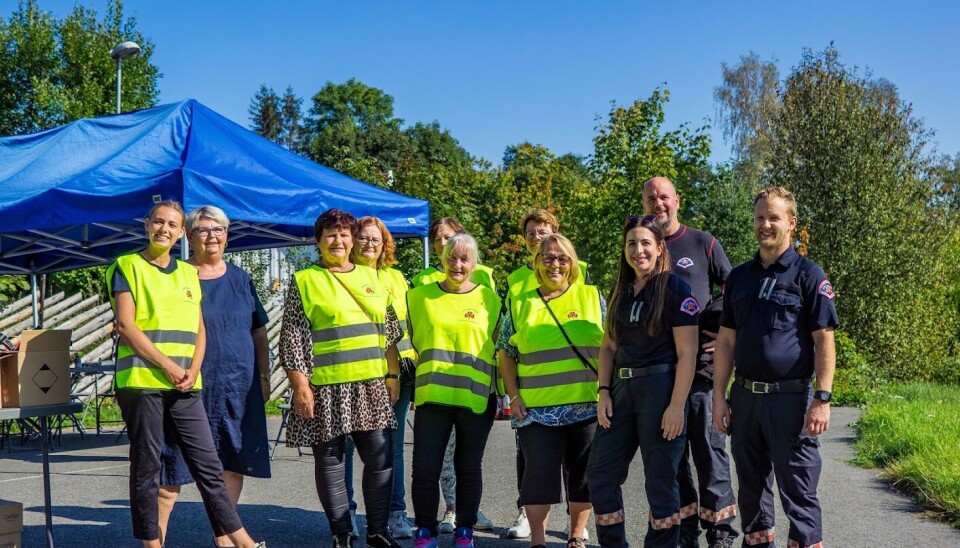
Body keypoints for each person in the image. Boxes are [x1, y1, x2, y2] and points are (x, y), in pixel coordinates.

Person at [106, 200, 264, 548]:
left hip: (187, 382)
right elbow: (128, 326)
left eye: (171, 224)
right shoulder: (127, 266)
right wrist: (171, 366)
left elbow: (198, 329)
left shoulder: (187, 274)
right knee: (150, 467)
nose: (164, 229)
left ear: (179, 233)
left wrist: (191, 369)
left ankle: (240, 541)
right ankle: (152, 543)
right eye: (158, 222)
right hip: (143, 381)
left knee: (209, 464)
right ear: (147, 224)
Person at [712, 187, 838, 548]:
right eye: (759, 218)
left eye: (774, 218)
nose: (765, 224)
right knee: (751, 493)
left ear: (792, 223)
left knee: (799, 494)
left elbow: (824, 341)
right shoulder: (738, 277)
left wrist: (823, 398)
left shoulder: (809, 275)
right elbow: (725, 342)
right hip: (746, 399)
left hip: (791, 400)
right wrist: (719, 398)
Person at [278, 208, 403, 548]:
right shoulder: (305, 280)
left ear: (353, 239)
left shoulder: (374, 277)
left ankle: (378, 531)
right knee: (331, 461)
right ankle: (342, 533)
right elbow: (292, 338)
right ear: (318, 241)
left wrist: (393, 376)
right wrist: (300, 386)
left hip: (372, 385)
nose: (338, 240)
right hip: (326, 387)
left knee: (380, 459)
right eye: (330, 234)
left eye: (344, 234)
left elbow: (390, 332)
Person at [156, 206, 272, 548]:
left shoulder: (239, 278)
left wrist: (264, 376)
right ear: (188, 237)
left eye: (218, 229)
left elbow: (258, 331)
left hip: (239, 384)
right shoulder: (176, 275)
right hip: (188, 386)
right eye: (204, 230)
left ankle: (223, 539)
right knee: (171, 469)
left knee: (232, 463)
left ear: (227, 235)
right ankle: (154, 542)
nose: (212, 236)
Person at [586, 214, 700, 548]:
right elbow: (608, 346)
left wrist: (676, 407)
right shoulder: (620, 290)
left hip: (661, 392)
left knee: (661, 482)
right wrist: (603, 391)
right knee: (600, 474)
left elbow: (688, 354)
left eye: (645, 243)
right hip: (621, 392)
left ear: (660, 247)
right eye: (632, 243)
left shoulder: (677, 289)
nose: (638, 250)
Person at [642, 177, 737, 548]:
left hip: (699, 373)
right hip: (659, 376)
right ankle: (685, 534)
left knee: (709, 455)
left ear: (677, 200)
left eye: (663, 197)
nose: (658, 204)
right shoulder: (641, 247)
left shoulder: (703, 243)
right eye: (651, 198)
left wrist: (725, 333)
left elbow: (736, 293)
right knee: (671, 462)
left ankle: (721, 535)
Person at [499, 234, 602, 548]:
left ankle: (575, 536)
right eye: (548, 257)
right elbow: (505, 352)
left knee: (582, 477)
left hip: (586, 405)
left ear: (571, 263)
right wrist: (513, 396)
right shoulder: (520, 301)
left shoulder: (592, 296)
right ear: (537, 262)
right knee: (538, 478)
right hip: (536, 410)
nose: (555, 263)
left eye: (562, 258)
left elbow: (611, 346)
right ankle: (539, 541)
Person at [407, 233, 502, 548]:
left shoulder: (490, 299)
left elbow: (498, 349)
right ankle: (425, 530)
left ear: (474, 264)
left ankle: (465, 530)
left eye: (465, 259)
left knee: (468, 466)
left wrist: (503, 393)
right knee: (425, 466)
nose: (457, 264)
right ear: (442, 258)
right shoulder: (419, 297)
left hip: (475, 398)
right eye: (452, 257)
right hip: (433, 395)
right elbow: (408, 342)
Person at [342, 216, 417, 539]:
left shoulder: (398, 279)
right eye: (363, 237)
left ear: (385, 244)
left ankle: (395, 513)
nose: (370, 244)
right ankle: (346, 514)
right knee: (344, 446)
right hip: (352, 373)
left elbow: (410, 326)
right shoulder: (340, 277)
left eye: (377, 239)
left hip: (395, 374)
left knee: (391, 447)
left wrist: (399, 373)